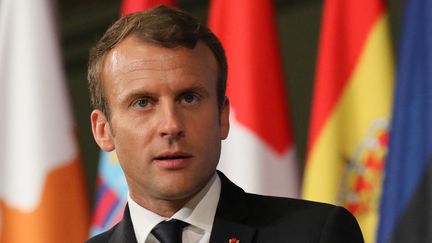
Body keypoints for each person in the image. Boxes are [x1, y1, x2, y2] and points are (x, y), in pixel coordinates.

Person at [86, 5, 364, 243]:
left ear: (222, 116)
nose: (171, 126)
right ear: (103, 130)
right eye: (143, 102)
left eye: (189, 98)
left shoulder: (315, 234)